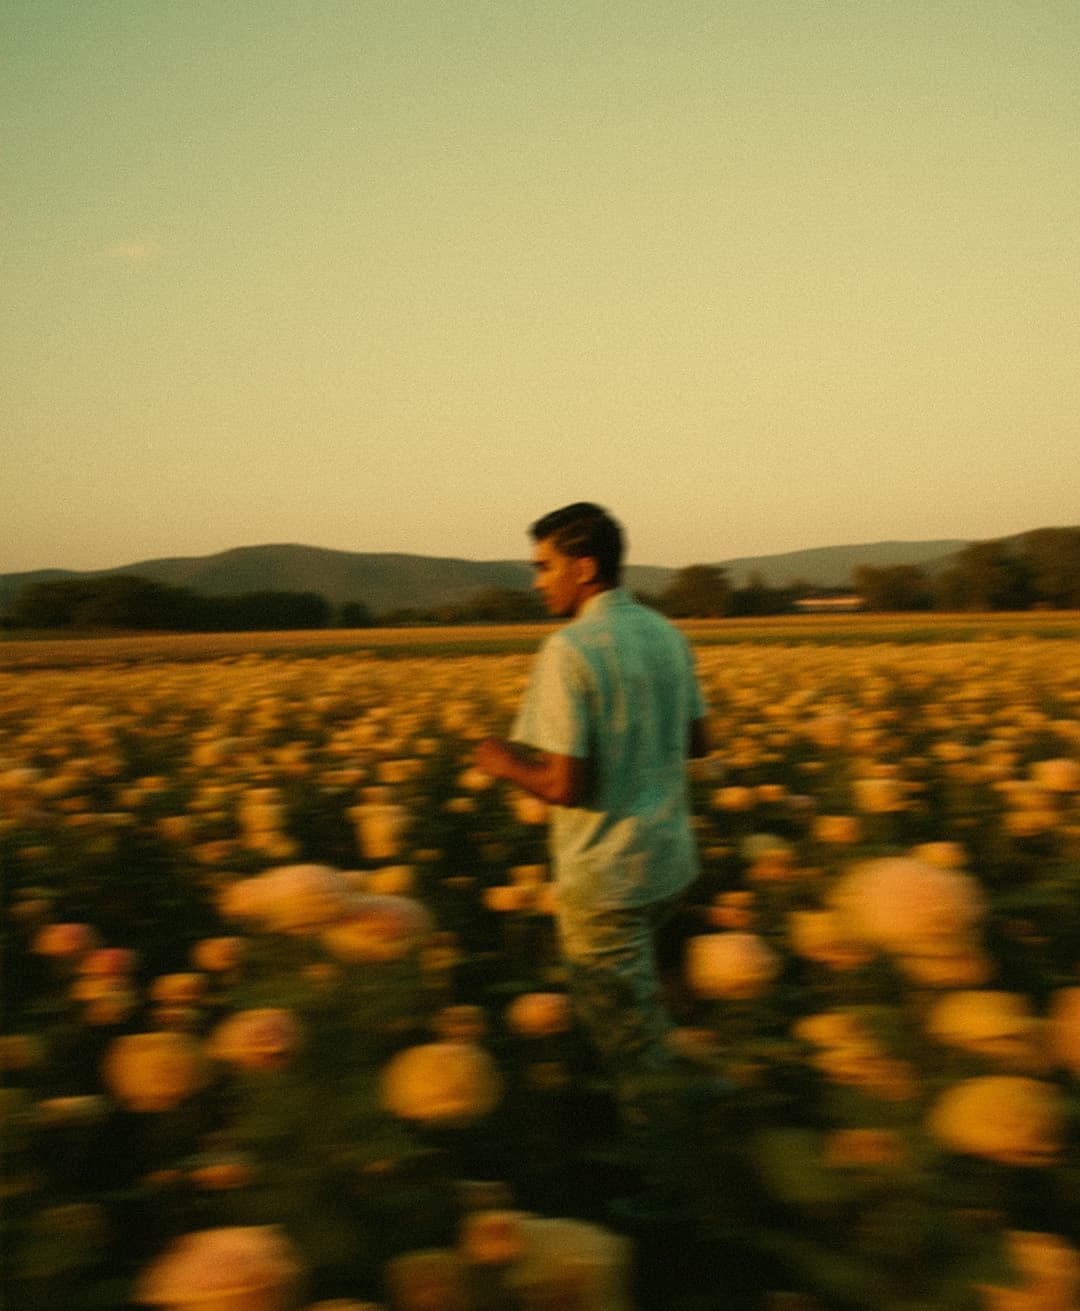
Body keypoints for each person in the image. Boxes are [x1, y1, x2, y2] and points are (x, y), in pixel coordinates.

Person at [475, 502, 711, 1137]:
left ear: (583, 567)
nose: (536, 582)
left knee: (632, 1048)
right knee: (653, 1014)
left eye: (543, 566)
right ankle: (697, 1111)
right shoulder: (666, 633)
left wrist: (502, 762)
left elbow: (564, 785)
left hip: (607, 880)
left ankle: (671, 1167)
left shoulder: (569, 649)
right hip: (670, 864)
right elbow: (699, 742)